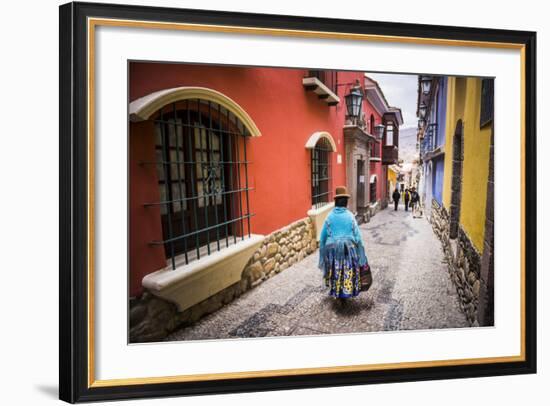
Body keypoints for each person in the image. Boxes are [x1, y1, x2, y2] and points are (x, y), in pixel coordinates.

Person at [318, 186, 368, 300]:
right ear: (346, 202)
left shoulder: (329, 217)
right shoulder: (350, 216)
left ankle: (336, 291)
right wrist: (361, 253)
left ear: (335, 202)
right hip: (348, 249)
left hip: (332, 250)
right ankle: (347, 291)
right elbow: (358, 237)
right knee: (347, 269)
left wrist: (322, 255)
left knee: (335, 270)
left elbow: (322, 238)